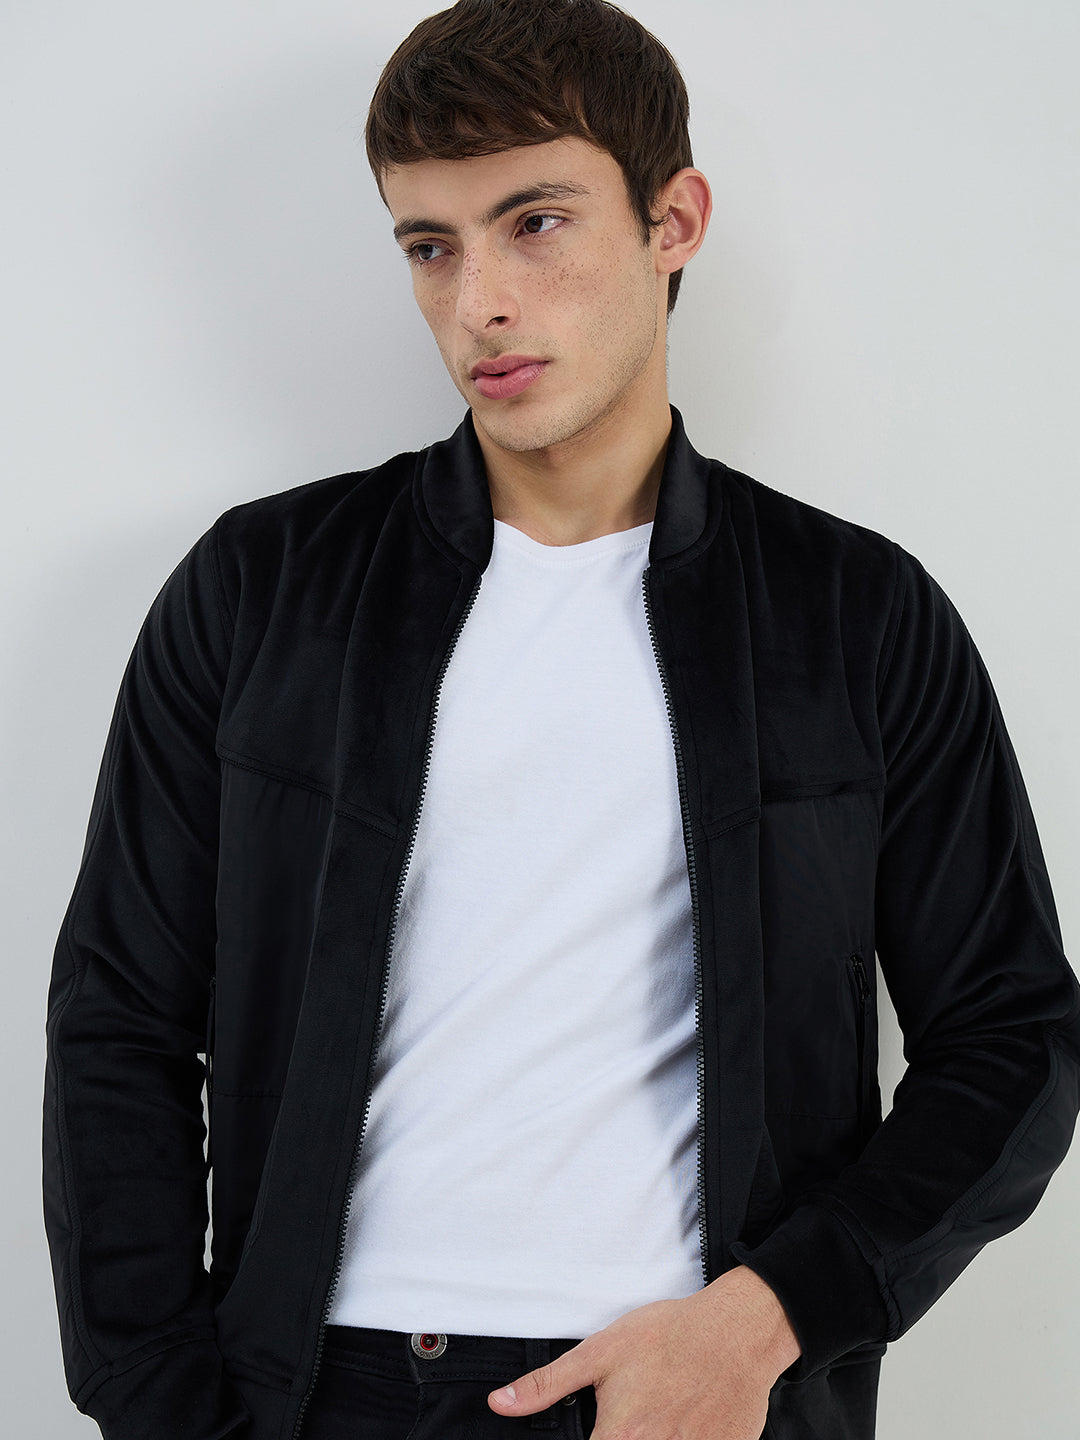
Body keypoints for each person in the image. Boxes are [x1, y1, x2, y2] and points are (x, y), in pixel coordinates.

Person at [42, 2, 1080, 1438]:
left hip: (689, 1388)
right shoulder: (262, 591)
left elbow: (1014, 1040)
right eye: (430, 245)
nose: (479, 301)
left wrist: (768, 1321)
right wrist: (162, 1408)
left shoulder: (854, 615)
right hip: (321, 1391)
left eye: (534, 223)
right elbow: (119, 1026)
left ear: (673, 222)